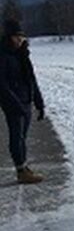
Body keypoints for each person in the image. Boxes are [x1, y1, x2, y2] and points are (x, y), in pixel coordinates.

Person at [0, 18, 45, 184]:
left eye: (22, 36)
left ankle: (24, 166)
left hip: (26, 101)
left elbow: (31, 80)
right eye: (16, 36)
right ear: (8, 37)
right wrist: (15, 105)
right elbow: (2, 85)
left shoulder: (22, 55)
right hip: (13, 103)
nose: (20, 39)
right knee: (16, 137)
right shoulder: (3, 56)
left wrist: (39, 103)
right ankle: (21, 171)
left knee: (22, 137)